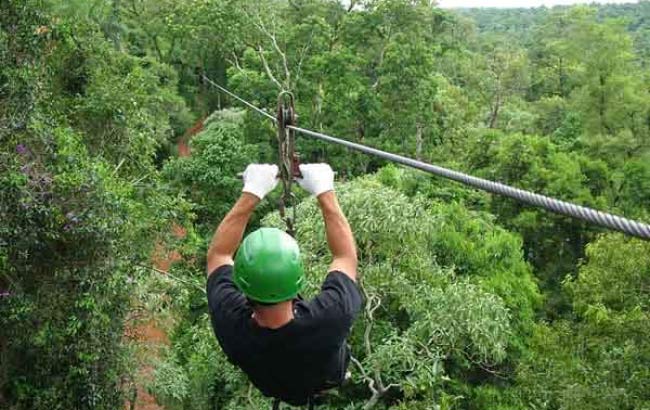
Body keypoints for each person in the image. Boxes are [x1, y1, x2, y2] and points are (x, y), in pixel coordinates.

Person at [206, 163, 362, 407]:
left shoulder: (230, 323)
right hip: (325, 377)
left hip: (272, 382)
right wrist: (325, 191)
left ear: (242, 282)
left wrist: (253, 191)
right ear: (299, 277)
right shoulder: (331, 317)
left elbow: (219, 254)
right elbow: (344, 257)